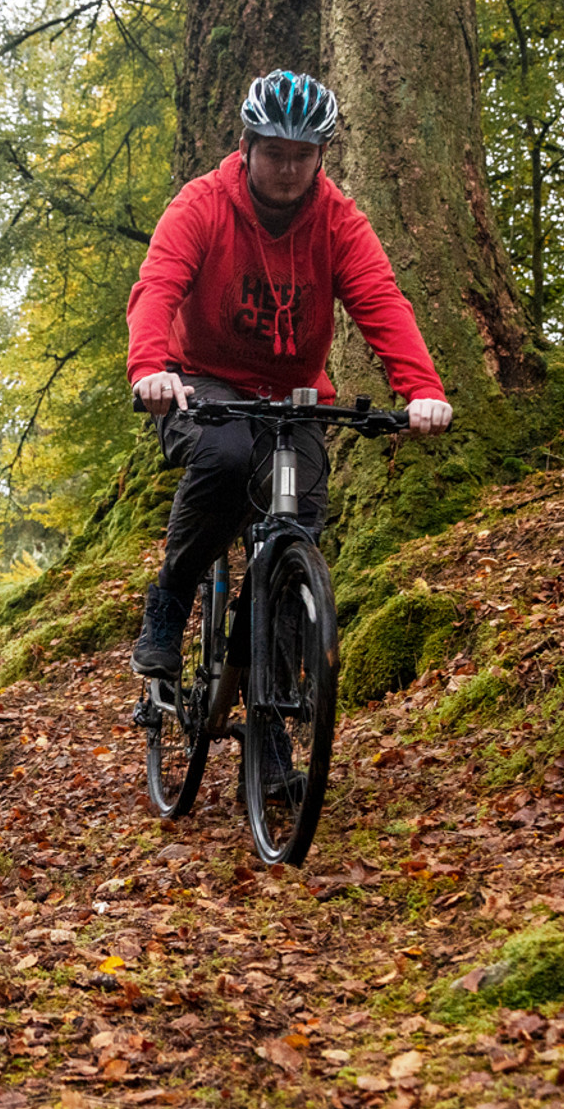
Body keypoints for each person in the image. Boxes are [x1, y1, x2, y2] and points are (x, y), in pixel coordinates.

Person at [127, 70, 453, 680]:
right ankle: (170, 598)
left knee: (294, 530)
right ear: (247, 147)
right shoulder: (202, 205)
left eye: (301, 156)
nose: (286, 168)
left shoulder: (338, 221)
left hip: (292, 397)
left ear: (320, 157)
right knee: (223, 458)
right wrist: (150, 368)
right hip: (201, 379)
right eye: (274, 152)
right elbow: (158, 285)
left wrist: (423, 391)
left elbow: (380, 301)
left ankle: (270, 728)